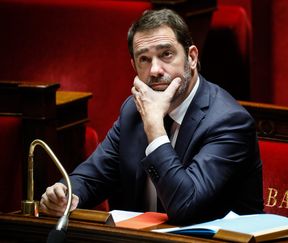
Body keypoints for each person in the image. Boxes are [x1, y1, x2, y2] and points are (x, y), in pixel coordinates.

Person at [39, 8, 263, 224]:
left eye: (166, 54)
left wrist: (154, 126)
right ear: (134, 66)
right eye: (144, 59)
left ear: (192, 57)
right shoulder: (133, 111)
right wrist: (64, 194)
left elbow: (185, 206)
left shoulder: (228, 121)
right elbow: (92, 177)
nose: (155, 70)